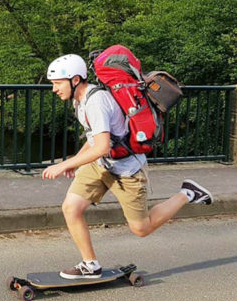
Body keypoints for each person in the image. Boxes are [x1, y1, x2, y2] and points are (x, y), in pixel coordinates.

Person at [41, 54, 214, 279]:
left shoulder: (96, 101)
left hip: (126, 170)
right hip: (100, 165)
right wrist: (77, 159)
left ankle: (188, 193)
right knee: (71, 208)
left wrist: (65, 163)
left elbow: (102, 146)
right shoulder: (79, 100)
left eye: (57, 83)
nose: (54, 89)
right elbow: (96, 138)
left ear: (75, 80)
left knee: (141, 228)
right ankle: (90, 265)